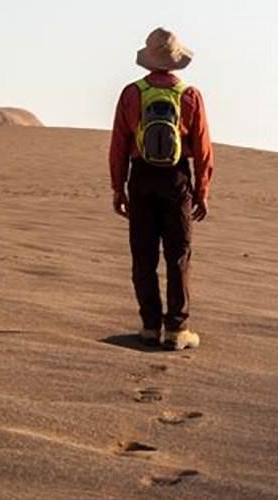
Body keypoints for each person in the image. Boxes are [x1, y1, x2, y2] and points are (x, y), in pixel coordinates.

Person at [109, 28, 214, 350]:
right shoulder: (189, 95)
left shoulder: (131, 93)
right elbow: (203, 148)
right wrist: (202, 191)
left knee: (143, 257)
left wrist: (118, 188)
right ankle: (177, 330)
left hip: (140, 178)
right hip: (176, 179)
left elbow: (118, 145)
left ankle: (150, 326)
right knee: (178, 255)